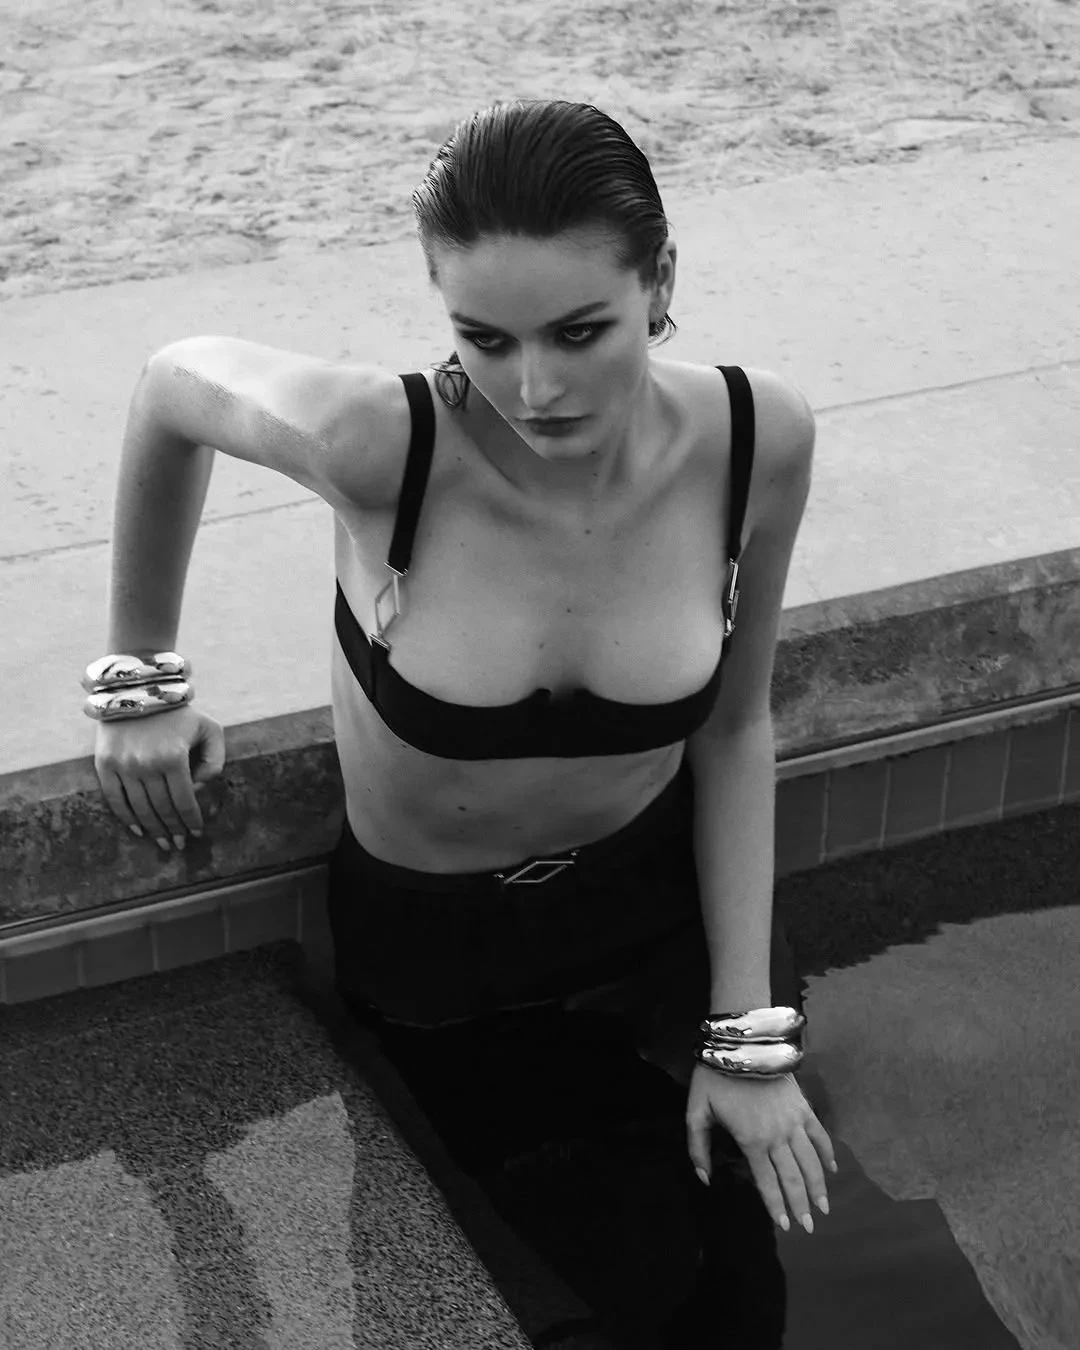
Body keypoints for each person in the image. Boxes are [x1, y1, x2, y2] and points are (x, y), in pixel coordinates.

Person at [90, 99, 836, 1348]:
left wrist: (744, 1031)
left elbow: (733, 727)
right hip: (442, 964)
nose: (534, 388)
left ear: (660, 282)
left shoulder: (758, 436)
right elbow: (170, 385)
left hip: (664, 921)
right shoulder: (380, 446)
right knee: (566, 1300)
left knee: (744, 1304)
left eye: (580, 331)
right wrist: (139, 677)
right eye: (484, 338)